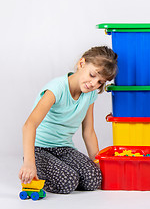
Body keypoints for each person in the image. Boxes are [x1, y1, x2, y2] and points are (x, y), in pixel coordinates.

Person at [18, 46, 118, 194]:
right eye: (92, 75)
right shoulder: (56, 89)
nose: (93, 84)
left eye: (100, 82)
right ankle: (41, 169)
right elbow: (29, 125)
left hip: (64, 148)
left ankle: (62, 171)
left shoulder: (90, 95)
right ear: (81, 64)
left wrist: (97, 162)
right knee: (69, 181)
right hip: (39, 149)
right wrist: (29, 163)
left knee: (94, 179)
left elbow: (88, 131)